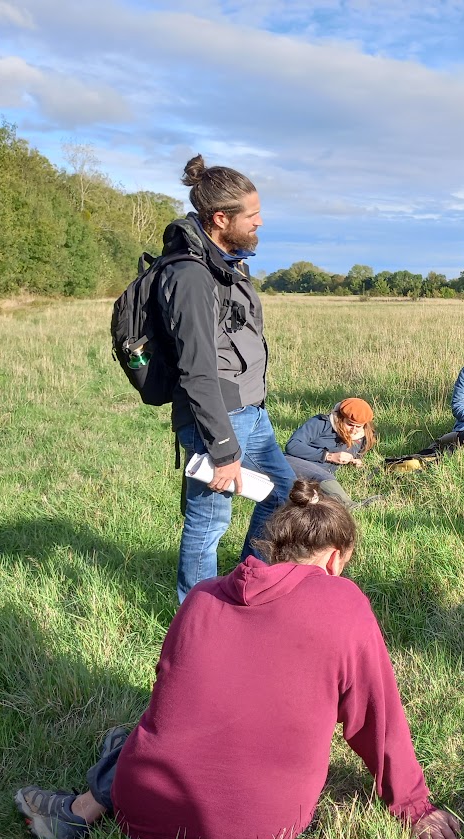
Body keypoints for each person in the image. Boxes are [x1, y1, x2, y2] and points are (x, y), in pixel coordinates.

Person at [14, 480, 462, 839]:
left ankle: (81, 805)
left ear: (276, 548)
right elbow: (377, 720)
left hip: (140, 817)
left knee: (141, 734)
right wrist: (414, 805)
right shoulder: (344, 603)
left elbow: (170, 700)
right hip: (256, 837)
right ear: (335, 559)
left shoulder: (202, 597)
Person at [161, 155, 295, 603]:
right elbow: (197, 370)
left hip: (250, 411)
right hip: (217, 418)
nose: (259, 226)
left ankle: (241, 588)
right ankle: (196, 616)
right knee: (208, 522)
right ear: (221, 219)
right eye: (252, 220)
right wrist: (222, 450)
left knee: (279, 493)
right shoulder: (191, 276)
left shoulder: (227, 263)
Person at [285, 398, 377, 508]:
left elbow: (355, 455)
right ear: (340, 418)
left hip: (316, 478)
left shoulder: (362, 437)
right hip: (292, 462)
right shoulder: (320, 423)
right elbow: (292, 446)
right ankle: (349, 505)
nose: (354, 430)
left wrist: (354, 461)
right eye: (350, 424)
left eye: (359, 426)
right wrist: (329, 456)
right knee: (321, 476)